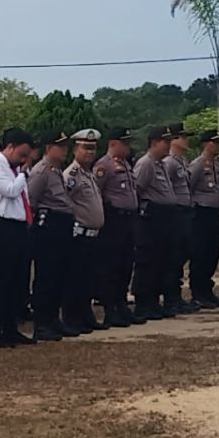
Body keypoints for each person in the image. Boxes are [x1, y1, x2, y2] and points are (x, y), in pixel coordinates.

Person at [0, 128, 38, 349]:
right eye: (22, 154)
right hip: (1, 226)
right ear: (10, 147)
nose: (24, 160)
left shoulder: (13, 168)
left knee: (17, 281)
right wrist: (24, 173)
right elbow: (10, 191)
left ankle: (11, 327)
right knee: (1, 281)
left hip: (18, 227)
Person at [94, 129, 145, 328]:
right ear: (114, 143)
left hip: (129, 220)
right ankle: (110, 309)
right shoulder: (103, 165)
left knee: (126, 264)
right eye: (125, 143)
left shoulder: (126, 164)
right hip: (113, 220)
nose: (128, 146)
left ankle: (121, 304)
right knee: (111, 266)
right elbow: (97, 192)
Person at [28, 132, 76, 341]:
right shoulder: (41, 171)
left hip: (62, 226)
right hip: (48, 226)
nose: (65, 150)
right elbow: (31, 200)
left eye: (66, 147)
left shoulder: (56, 171)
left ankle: (53, 320)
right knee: (47, 276)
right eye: (61, 146)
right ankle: (42, 323)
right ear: (49, 148)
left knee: (60, 275)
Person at [63, 129, 107, 334]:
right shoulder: (71, 175)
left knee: (89, 278)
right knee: (75, 279)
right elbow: (65, 202)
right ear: (75, 150)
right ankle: (73, 318)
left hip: (93, 234)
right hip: (78, 234)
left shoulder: (89, 173)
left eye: (93, 148)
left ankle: (85, 315)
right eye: (85, 148)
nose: (90, 152)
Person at [133, 126, 178, 321]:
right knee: (148, 261)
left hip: (165, 217)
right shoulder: (146, 163)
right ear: (154, 143)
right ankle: (144, 303)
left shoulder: (161, 164)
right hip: (151, 217)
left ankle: (154, 301)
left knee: (162, 261)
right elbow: (137, 190)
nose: (169, 145)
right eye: (165, 142)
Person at [189, 130, 219, 308]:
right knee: (201, 253)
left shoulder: (217, 164)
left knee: (213, 253)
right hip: (201, 214)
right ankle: (198, 293)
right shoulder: (198, 164)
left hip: (213, 213)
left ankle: (207, 290)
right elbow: (188, 187)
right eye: (216, 142)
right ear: (206, 143)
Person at [163, 123, 199, 314]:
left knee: (182, 254)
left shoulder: (182, 161)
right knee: (173, 257)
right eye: (183, 137)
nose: (187, 141)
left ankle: (176, 296)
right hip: (175, 213)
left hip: (185, 212)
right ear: (174, 140)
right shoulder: (169, 162)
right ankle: (171, 298)